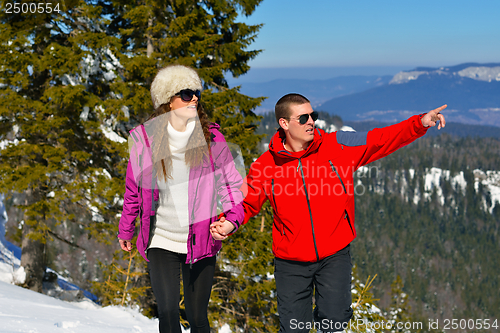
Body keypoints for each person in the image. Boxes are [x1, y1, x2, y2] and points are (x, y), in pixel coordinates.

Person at [211, 93, 446, 332]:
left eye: (313, 115)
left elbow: (379, 139)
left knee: (334, 323)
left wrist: (420, 123)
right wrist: (229, 222)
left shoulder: (338, 145)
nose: (311, 121)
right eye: (303, 118)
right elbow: (247, 202)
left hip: (334, 255)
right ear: (284, 123)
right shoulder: (266, 165)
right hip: (290, 263)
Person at [118, 65, 243, 333]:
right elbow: (133, 191)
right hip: (160, 238)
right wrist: (126, 229)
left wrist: (232, 220)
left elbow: (231, 185)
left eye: (196, 92)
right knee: (168, 312)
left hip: (201, 239)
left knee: (198, 318)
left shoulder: (211, 139)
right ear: (168, 101)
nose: (194, 99)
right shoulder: (145, 141)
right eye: (186, 94)